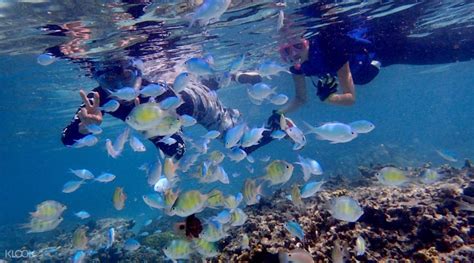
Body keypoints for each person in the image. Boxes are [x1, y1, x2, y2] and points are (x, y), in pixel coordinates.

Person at [61, 59, 265, 160]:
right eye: (108, 79)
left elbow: (177, 139)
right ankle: (233, 76)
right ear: (98, 80)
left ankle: (233, 77)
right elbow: (67, 139)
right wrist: (84, 128)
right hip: (165, 116)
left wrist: (159, 126)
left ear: (139, 73)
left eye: (126, 76)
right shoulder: (96, 100)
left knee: (240, 146)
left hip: (197, 106)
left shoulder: (156, 89)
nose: (121, 87)